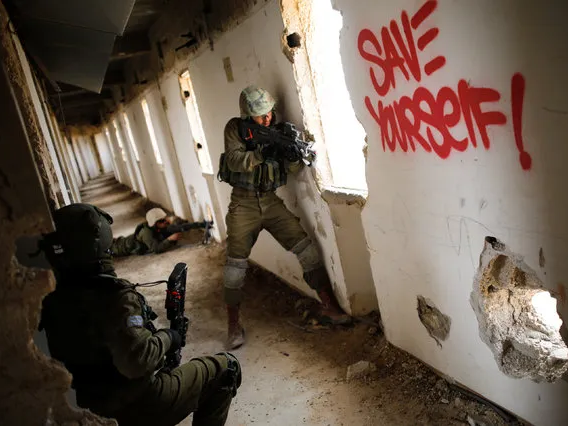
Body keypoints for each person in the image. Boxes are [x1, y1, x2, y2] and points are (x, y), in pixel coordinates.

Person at [38, 203, 241, 426]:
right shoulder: (113, 297)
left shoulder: (49, 301)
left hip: (91, 409)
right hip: (133, 406)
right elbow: (137, 361)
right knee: (227, 368)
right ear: (100, 236)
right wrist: (169, 337)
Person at [218, 85, 352, 350]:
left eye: (269, 113)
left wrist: (291, 156)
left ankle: (330, 306)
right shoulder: (235, 128)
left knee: (306, 248)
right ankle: (233, 325)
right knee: (235, 267)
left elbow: (290, 170)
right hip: (242, 204)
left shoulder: (280, 132)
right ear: (247, 116)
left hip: (270, 201)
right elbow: (234, 161)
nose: (267, 119)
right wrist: (261, 153)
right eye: (260, 116)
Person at [110, 207, 181, 257]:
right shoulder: (146, 233)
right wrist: (170, 239)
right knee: (107, 248)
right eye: (161, 221)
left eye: (165, 219)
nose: (165, 222)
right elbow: (156, 249)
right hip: (119, 248)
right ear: (154, 224)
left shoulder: (156, 227)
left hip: (123, 241)